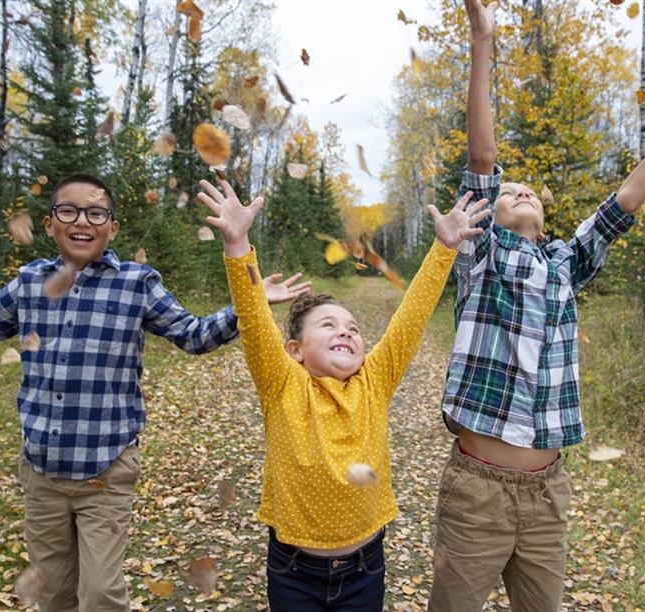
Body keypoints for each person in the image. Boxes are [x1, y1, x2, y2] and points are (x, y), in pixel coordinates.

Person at [429, 2, 645, 610]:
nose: (519, 187)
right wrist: (482, 41)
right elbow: (482, 158)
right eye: (507, 189)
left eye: (527, 188)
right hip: (477, 493)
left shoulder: (564, 264)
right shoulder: (479, 253)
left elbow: (628, 197)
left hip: (547, 494)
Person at [0, 173, 310, 611]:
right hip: (42, 473)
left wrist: (248, 301)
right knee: (54, 594)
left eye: (96, 212)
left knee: (100, 595)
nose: (83, 221)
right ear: (49, 224)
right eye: (68, 210)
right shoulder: (28, 284)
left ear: (112, 227)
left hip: (107, 470)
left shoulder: (136, 283)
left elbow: (193, 336)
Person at [197, 177, 489, 611]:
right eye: (329, 325)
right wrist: (237, 244)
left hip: (364, 568)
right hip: (293, 569)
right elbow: (255, 320)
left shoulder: (374, 381)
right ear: (294, 350)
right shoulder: (282, 384)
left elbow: (411, 318)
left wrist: (444, 249)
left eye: (353, 328)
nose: (346, 332)